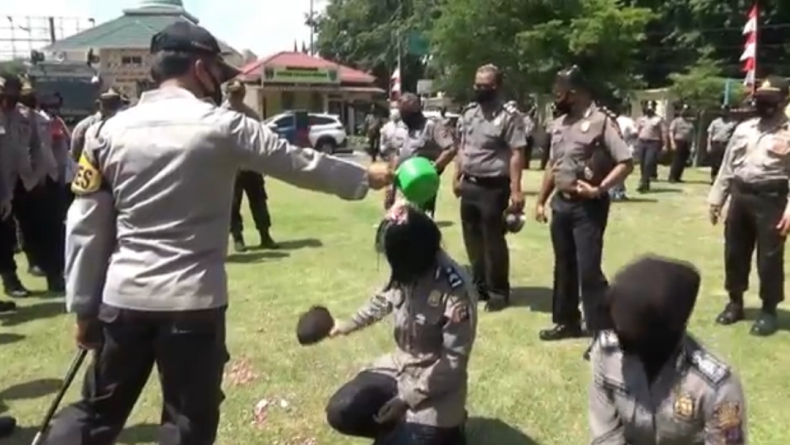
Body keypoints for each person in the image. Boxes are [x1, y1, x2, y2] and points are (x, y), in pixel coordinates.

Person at [45, 21, 392, 445]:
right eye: (217, 71)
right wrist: (363, 177)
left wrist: (84, 307)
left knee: (94, 414)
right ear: (199, 68)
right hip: (193, 302)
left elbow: (86, 225)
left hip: (124, 298)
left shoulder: (105, 132)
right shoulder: (225, 126)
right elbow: (298, 162)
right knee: (186, 424)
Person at [326, 202, 476, 445]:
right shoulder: (408, 264)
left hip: (436, 383)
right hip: (400, 365)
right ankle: (396, 432)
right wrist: (346, 324)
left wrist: (406, 399)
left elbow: (452, 364)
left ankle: (450, 431)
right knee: (341, 410)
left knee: (421, 437)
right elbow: (383, 300)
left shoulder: (455, 290)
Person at [589, 255, 747, 445]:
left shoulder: (716, 386)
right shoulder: (607, 354)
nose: (617, 332)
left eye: (627, 327)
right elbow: (606, 435)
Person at [535, 66, 633, 353]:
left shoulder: (602, 122)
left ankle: (603, 332)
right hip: (561, 204)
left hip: (588, 206)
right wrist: (541, 200)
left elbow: (625, 162)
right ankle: (566, 321)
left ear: (576, 93)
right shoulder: (560, 124)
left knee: (588, 271)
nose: (557, 98)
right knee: (564, 265)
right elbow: (553, 166)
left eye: (561, 93)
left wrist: (600, 189)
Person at [708, 76, 790, 337]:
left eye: (770, 99)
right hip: (740, 196)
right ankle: (735, 303)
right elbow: (728, 166)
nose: (764, 104)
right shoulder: (745, 128)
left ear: (784, 100)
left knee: (769, 258)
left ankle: (768, 310)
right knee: (734, 253)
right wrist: (717, 198)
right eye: (761, 99)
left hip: (772, 198)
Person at [453, 64, 526, 312]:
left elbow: (516, 154)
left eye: (485, 86)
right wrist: (456, 175)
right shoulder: (469, 114)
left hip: (494, 187)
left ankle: (498, 292)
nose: (479, 89)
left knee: (493, 241)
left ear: (496, 87)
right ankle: (480, 285)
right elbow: (462, 147)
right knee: (472, 239)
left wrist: (516, 189)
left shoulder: (509, 117)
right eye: (477, 85)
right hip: (470, 184)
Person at [0, 73, 49, 298]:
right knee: (4, 235)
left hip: (24, 180)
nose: (7, 96)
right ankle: (11, 281)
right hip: (3, 181)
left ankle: (38, 264)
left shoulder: (26, 115)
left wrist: (38, 173)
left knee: (34, 225)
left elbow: (38, 146)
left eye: (10, 91)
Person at [16, 80, 67, 288]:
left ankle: (55, 274)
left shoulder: (45, 119)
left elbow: (54, 150)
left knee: (52, 229)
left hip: (46, 180)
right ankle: (35, 265)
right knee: (29, 230)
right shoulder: (14, 119)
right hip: (21, 182)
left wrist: (57, 176)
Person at [222, 79, 277, 250]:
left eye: (239, 93)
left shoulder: (250, 114)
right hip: (231, 168)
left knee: (259, 201)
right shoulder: (219, 115)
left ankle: (265, 236)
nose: (237, 96)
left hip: (252, 166)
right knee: (232, 205)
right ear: (227, 94)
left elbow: (261, 138)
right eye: (234, 93)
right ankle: (238, 239)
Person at [380, 93, 456, 217]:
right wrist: (390, 187)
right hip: (401, 186)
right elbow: (396, 157)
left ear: (415, 111)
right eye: (401, 112)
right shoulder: (402, 129)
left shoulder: (431, 127)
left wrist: (434, 167)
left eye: (405, 113)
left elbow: (451, 148)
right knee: (397, 222)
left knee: (419, 223)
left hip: (421, 187)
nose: (403, 117)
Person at [70, 88, 125, 162]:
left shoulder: (124, 126)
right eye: (107, 103)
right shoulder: (84, 126)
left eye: (113, 103)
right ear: (98, 104)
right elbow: (76, 155)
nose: (110, 108)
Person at [635, 100, 666, 192]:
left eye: (651, 106)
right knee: (642, 163)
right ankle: (645, 181)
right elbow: (637, 131)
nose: (649, 109)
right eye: (647, 106)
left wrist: (665, 145)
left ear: (654, 108)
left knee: (649, 163)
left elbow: (664, 132)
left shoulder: (658, 120)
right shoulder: (641, 119)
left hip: (653, 143)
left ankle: (643, 182)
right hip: (642, 142)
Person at [610, 103, 636, 200]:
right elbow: (635, 133)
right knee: (625, 170)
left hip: (614, 148)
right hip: (626, 148)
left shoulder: (614, 120)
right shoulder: (629, 121)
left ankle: (617, 191)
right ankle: (617, 191)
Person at [707, 104, 738, 184]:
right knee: (714, 163)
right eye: (723, 110)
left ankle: (721, 180)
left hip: (726, 145)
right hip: (716, 144)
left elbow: (735, 135)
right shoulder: (715, 122)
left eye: (726, 110)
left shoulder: (732, 123)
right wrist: (709, 145)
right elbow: (710, 134)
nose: (724, 112)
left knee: (724, 163)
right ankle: (713, 178)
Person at [668, 104, 695, 183]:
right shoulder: (676, 121)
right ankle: (672, 177)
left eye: (687, 111)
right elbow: (671, 132)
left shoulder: (690, 122)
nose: (685, 112)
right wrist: (672, 143)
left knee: (683, 161)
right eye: (684, 110)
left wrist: (692, 145)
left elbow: (692, 134)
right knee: (676, 160)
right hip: (678, 141)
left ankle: (678, 177)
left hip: (687, 143)